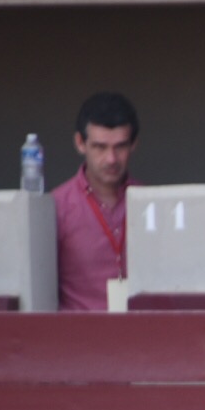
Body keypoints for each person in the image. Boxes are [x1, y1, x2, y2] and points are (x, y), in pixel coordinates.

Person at [52, 92, 141, 312]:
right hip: (77, 338)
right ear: (80, 143)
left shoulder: (151, 203)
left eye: (120, 147)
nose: (111, 159)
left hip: (142, 335)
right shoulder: (56, 206)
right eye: (100, 147)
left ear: (134, 145)